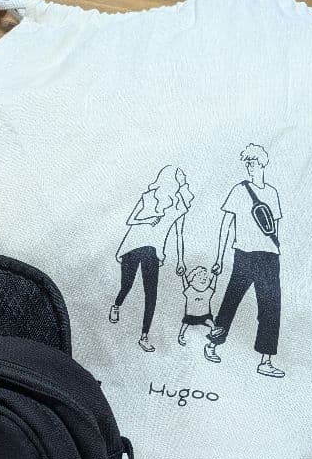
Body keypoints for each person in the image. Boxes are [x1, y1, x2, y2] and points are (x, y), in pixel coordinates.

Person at [207, 144, 286, 377]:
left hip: (269, 256)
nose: (250, 166)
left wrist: (275, 250)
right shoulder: (239, 190)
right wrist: (219, 257)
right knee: (231, 300)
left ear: (262, 164)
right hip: (245, 254)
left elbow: (275, 228)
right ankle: (212, 344)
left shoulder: (272, 193)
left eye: (253, 162)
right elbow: (226, 225)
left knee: (271, 307)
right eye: (247, 162)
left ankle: (266, 360)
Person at [111, 166, 192, 352]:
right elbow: (131, 220)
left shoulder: (180, 205)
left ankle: (144, 336)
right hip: (133, 246)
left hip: (153, 250)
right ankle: (116, 305)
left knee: (151, 294)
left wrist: (180, 260)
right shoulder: (149, 196)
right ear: (171, 178)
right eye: (180, 174)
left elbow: (179, 234)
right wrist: (148, 220)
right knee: (127, 285)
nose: (184, 177)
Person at [178, 266, 220, 363]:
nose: (203, 280)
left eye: (205, 279)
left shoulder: (207, 292)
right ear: (192, 280)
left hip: (204, 316)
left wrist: (215, 275)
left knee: (210, 322)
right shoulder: (190, 291)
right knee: (186, 323)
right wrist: (183, 275)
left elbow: (213, 284)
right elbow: (185, 283)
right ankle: (181, 335)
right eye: (200, 278)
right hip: (191, 316)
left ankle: (214, 330)